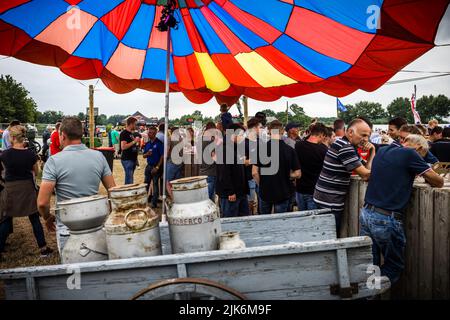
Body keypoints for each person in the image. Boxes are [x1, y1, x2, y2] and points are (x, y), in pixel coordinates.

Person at [360, 134, 444, 285]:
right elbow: (438, 181)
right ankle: (371, 292)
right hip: (385, 217)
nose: (420, 158)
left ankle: (365, 291)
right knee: (393, 267)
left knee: (371, 265)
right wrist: (424, 171)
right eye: (422, 155)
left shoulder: (383, 150)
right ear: (419, 148)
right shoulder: (410, 153)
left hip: (367, 212)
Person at [37, 117, 116, 254]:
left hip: (68, 225)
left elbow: (43, 203)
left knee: (72, 268)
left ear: (63, 135)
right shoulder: (99, 156)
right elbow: (113, 191)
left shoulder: (54, 161)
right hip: (96, 221)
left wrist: (47, 217)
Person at [0, 125, 53, 262]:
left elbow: (2, 172)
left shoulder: (4, 155)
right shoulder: (30, 154)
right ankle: (43, 249)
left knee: (6, 220)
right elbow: (37, 172)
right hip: (27, 188)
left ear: (11, 137)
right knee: (34, 219)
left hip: (10, 189)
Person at [314, 119, 375, 233]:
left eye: (368, 136)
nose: (366, 139)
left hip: (323, 199)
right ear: (350, 132)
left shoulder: (341, 144)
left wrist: (372, 151)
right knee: (330, 239)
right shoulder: (345, 148)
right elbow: (366, 175)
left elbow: (366, 169)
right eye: (363, 135)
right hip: (330, 203)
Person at [253, 120, 301, 214]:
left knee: (264, 221)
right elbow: (298, 174)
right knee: (281, 222)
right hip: (283, 192)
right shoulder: (290, 150)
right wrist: (286, 176)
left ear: (269, 131)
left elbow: (254, 172)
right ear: (282, 131)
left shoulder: (260, 149)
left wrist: (262, 184)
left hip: (265, 192)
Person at [216, 123, 249, 217]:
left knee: (245, 219)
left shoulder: (236, 148)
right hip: (230, 195)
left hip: (241, 192)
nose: (243, 138)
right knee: (230, 221)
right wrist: (230, 191)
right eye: (241, 135)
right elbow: (224, 173)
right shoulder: (224, 149)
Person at [295, 123, 328, 211]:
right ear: (321, 135)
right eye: (323, 137)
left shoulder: (298, 145)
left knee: (302, 219)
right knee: (313, 221)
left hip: (299, 189)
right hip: (314, 191)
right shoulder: (323, 149)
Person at [143, 126, 164, 209]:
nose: (149, 134)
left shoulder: (159, 143)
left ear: (155, 133)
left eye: (151, 132)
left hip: (156, 166)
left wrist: (158, 167)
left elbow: (162, 156)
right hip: (148, 166)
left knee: (155, 185)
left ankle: (154, 203)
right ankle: (144, 201)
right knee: (146, 185)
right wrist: (147, 154)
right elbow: (144, 155)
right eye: (148, 132)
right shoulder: (147, 144)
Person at [245, 118, 262, 214]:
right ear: (255, 128)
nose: (260, 129)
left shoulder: (260, 141)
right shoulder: (244, 142)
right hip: (249, 177)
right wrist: (258, 159)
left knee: (262, 200)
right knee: (251, 203)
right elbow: (243, 162)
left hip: (260, 176)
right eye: (259, 127)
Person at [199, 122, 219, 202]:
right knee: (209, 199)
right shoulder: (210, 141)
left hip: (202, 171)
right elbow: (214, 157)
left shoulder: (200, 140)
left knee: (205, 197)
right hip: (210, 172)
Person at [120, 117, 140, 184]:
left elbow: (132, 147)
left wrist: (136, 159)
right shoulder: (124, 133)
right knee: (129, 180)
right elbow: (123, 147)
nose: (136, 126)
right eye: (135, 124)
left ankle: (127, 192)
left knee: (129, 179)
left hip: (132, 159)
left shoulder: (130, 133)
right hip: (127, 159)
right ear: (131, 124)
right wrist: (134, 141)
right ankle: (128, 193)